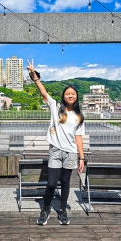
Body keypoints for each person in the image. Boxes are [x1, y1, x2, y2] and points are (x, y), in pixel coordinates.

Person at [26, 62, 85, 226]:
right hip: (55, 151)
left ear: (76, 97)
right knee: (51, 183)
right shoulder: (56, 107)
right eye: (68, 93)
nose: (70, 96)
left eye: (73, 94)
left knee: (65, 183)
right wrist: (35, 77)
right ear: (63, 96)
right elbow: (43, 92)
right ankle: (45, 210)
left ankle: (62, 210)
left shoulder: (79, 116)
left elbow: (79, 137)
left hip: (71, 152)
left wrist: (81, 158)